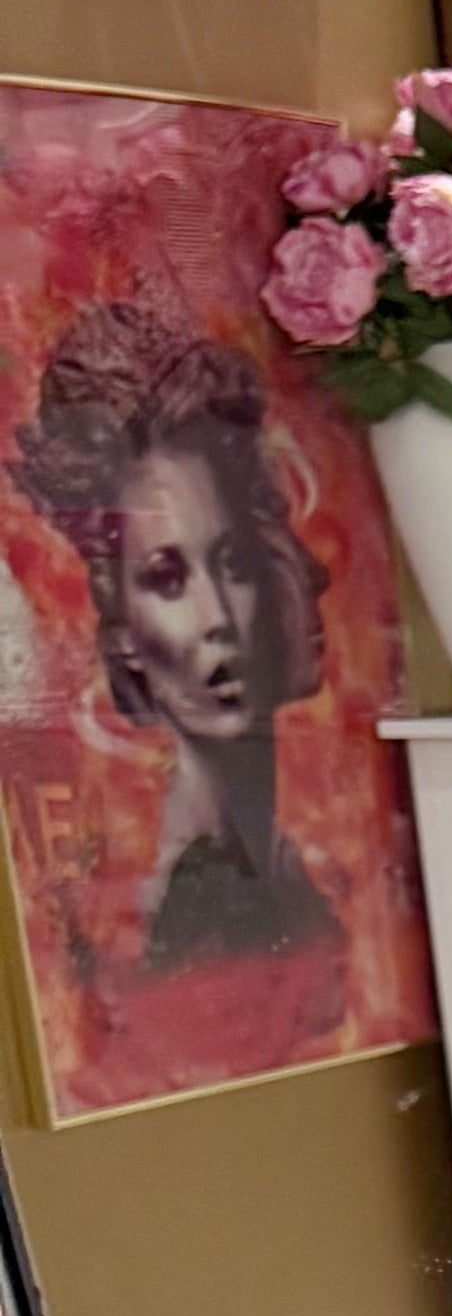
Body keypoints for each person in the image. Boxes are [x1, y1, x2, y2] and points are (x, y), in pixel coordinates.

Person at [11, 314, 345, 980]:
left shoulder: (303, 875)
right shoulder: (159, 917)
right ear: (123, 628)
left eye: (235, 564)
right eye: (167, 579)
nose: (216, 618)